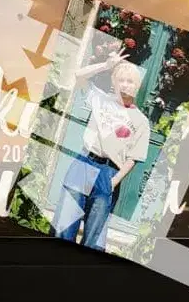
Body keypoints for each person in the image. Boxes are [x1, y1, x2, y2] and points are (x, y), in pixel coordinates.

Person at [52, 47, 151, 251]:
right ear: (114, 82)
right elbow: (78, 75)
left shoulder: (141, 121)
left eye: (130, 81)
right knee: (64, 226)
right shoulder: (100, 99)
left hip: (109, 172)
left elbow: (133, 158)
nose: (125, 84)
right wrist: (106, 65)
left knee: (93, 239)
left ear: (137, 86)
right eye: (121, 80)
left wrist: (113, 182)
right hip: (84, 163)